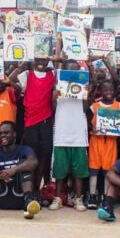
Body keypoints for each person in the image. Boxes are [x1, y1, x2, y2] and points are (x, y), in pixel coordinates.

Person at [11, 57, 56, 191]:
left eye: (43, 59)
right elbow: (11, 80)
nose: (40, 62)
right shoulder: (27, 74)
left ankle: (37, 189)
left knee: (43, 157)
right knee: (31, 157)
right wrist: (25, 61)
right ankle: (29, 189)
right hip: (30, 121)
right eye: (37, 59)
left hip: (45, 121)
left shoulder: (52, 75)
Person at [50, 58, 89, 212]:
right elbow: (53, 107)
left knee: (79, 170)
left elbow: (85, 108)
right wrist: (56, 94)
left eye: (75, 70)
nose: (72, 73)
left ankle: (78, 199)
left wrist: (86, 92)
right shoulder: (59, 87)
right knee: (60, 170)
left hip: (79, 134)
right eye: (69, 70)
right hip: (61, 133)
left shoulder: (82, 86)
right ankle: (58, 197)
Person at [87, 80, 120, 208]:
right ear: (101, 91)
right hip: (96, 140)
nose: (108, 92)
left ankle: (107, 196)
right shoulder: (95, 106)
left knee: (108, 169)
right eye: (105, 90)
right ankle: (92, 195)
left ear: (114, 91)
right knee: (94, 168)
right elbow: (88, 121)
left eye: (111, 90)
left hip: (111, 141)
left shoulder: (118, 105)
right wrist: (92, 127)